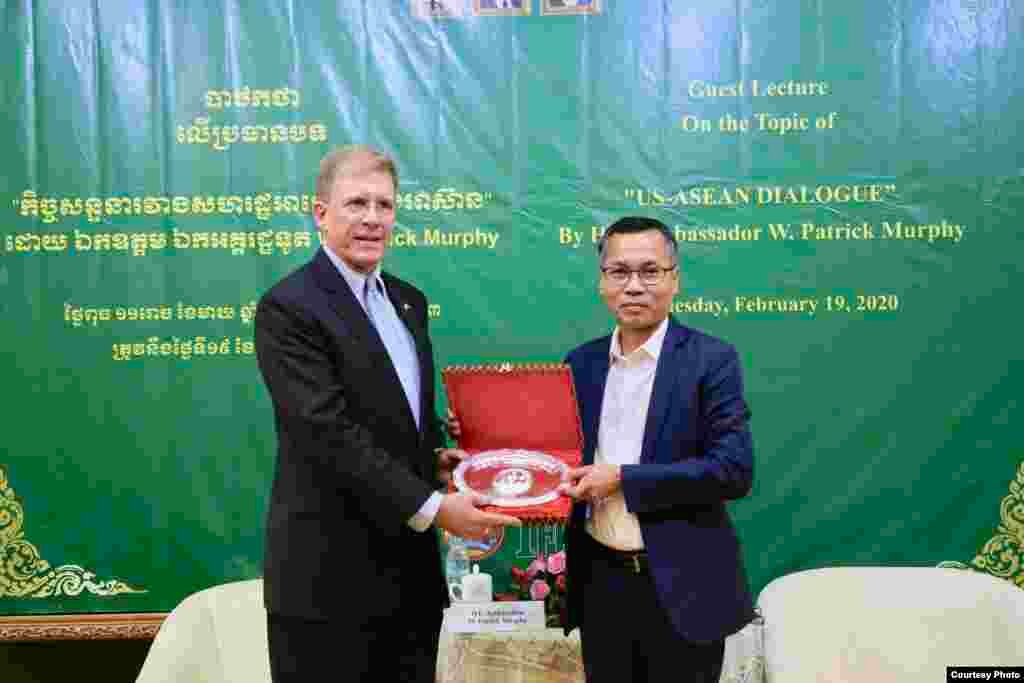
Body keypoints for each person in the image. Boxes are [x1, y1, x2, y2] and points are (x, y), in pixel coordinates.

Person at [254, 145, 519, 683]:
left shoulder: (408, 302)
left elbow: (393, 421)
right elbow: (326, 433)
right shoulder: (289, 307)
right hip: (327, 586)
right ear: (320, 213)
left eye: (384, 204)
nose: (372, 218)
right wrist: (435, 507)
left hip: (409, 585)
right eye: (356, 203)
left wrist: (435, 464)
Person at [559, 216, 756, 682]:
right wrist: (483, 448)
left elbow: (733, 469)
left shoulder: (712, 359)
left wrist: (624, 479)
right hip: (601, 581)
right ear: (602, 282)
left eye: (650, 271)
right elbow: (558, 454)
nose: (634, 286)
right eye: (619, 272)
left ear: (675, 280)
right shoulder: (580, 363)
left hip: (686, 587)